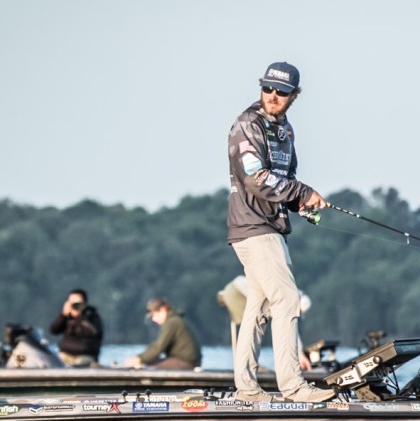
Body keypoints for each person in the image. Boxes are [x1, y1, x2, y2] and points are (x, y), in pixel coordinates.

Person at [225, 61, 334, 403]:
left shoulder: (285, 129)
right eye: (268, 88)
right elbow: (256, 179)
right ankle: (294, 387)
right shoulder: (248, 124)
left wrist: (301, 204)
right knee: (287, 300)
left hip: (271, 226)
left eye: (281, 92)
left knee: (258, 307)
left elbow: (285, 180)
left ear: (294, 96)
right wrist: (303, 192)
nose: (273, 96)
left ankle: (246, 390)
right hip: (254, 228)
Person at [124, 297, 201, 370]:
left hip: (187, 362)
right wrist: (142, 358)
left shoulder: (172, 323)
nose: (153, 319)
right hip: (187, 361)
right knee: (150, 362)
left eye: (153, 315)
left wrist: (140, 359)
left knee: (150, 368)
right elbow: (156, 346)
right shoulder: (174, 320)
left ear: (162, 309)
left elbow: (159, 347)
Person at [49, 289, 103, 367]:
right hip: (65, 355)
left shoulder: (92, 316)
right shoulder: (67, 317)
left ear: (85, 303)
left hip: (85, 356)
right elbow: (54, 330)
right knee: (53, 361)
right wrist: (63, 315)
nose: (75, 306)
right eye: (72, 303)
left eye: (77, 303)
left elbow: (96, 333)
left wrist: (81, 316)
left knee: (79, 364)